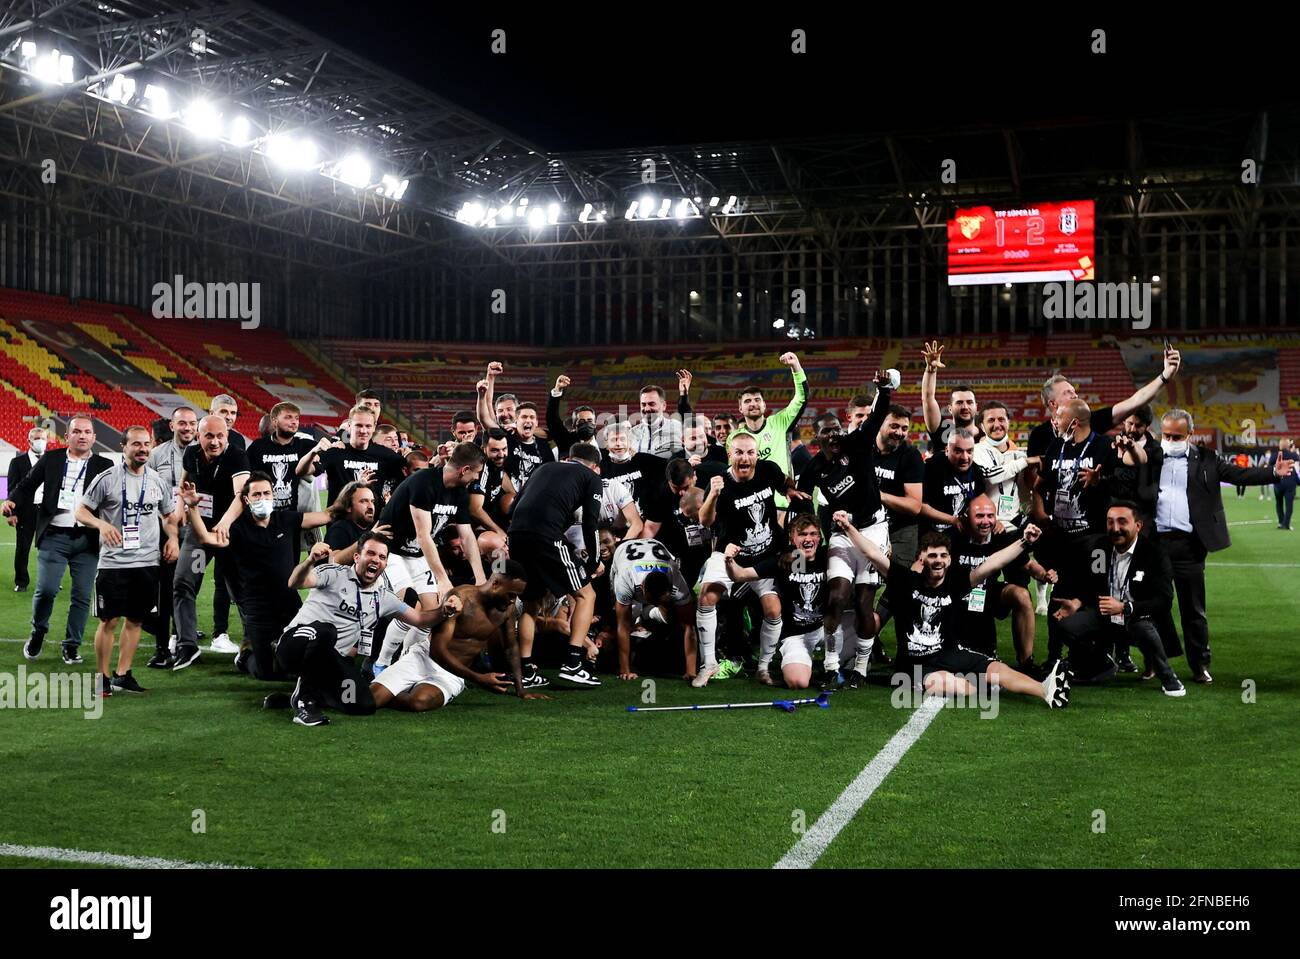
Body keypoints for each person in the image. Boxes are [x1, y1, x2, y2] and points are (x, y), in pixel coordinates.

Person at [834, 512, 1071, 708]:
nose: (938, 560)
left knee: (996, 667)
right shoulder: (905, 581)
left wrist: (1024, 542)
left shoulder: (956, 583)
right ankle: (989, 685)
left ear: (949, 559)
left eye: (943, 556)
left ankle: (1045, 690)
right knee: (940, 684)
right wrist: (848, 527)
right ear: (921, 558)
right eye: (932, 555)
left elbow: (994, 562)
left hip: (950, 653)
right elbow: (872, 553)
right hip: (915, 667)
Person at [1154, 408, 1294, 683]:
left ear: (1190, 434)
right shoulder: (1152, 457)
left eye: (1176, 436)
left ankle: (1199, 665)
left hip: (1190, 546)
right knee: (1154, 607)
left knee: (1193, 610)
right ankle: (1156, 662)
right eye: (1166, 435)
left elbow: (1239, 475)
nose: (1170, 440)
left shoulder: (1207, 459)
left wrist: (1273, 474)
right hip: (1155, 545)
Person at [275, 533, 459, 727]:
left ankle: (304, 694)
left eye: (381, 557)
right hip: (294, 647)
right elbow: (295, 582)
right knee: (326, 631)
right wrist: (310, 561)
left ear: (386, 564)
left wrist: (444, 610)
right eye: (370, 553)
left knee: (362, 704)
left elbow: (420, 619)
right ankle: (303, 702)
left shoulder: (382, 597)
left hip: (330, 661)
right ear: (357, 557)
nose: (375, 560)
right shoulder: (334, 574)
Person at [181, 471, 334, 683]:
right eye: (257, 495)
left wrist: (356, 490)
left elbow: (328, 515)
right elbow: (206, 538)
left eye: (267, 493)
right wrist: (193, 508)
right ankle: (246, 656)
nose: (263, 498)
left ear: (274, 496)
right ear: (246, 500)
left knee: (296, 665)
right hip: (258, 609)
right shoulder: (236, 528)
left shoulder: (287, 519)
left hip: (290, 604)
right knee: (267, 674)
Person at [796, 370, 895, 684]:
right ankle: (829, 664)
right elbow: (799, 500)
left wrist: (884, 388)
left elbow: (879, 412)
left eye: (836, 430)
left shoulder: (859, 441)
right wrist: (797, 537)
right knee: (836, 597)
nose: (833, 436)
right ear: (818, 438)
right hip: (842, 534)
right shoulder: (814, 468)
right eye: (826, 432)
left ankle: (861, 669)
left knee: (865, 602)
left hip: (873, 530)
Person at [695, 433, 811, 687]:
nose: (745, 458)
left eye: (750, 452)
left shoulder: (768, 470)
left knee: (773, 610)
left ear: (757, 454)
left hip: (766, 554)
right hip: (728, 553)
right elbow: (704, 521)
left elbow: (784, 482)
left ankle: (763, 667)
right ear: (730, 455)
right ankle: (709, 664)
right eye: (739, 453)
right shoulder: (720, 484)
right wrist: (713, 495)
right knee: (707, 597)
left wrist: (790, 489)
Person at [75, 426, 179, 697]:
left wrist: (173, 539)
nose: (143, 449)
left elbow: (169, 516)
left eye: (146, 444)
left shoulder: (156, 480)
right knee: (108, 621)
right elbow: (81, 510)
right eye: (136, 444)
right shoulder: (107, 478)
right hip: (113, 563)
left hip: (147, 562)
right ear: (124, 446)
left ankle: (123, 674)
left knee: (135, 620)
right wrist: (100, 524)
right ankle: (102, 678)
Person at [3, 416, 112, 665]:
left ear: (94, 437)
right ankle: (38, 632)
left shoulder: (105, 465)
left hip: (88, 540)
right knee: (47, 590)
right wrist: (12, 501)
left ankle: (71, 645)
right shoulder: (51, 459)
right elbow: (27, 484)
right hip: (54, 535)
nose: (82, 436)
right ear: (67, 436)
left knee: (82, 595)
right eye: (76, 431)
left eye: (87, 432)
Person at [1049, 501, 1183, 694]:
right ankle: (1100, 662)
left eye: (1122, 522)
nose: (1115, 528)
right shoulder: (1100, 548)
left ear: (1138, 525)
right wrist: (1077, 603)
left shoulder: (1155, 554)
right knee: (1066, 626)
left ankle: (1169, 677)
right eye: (1110, 522)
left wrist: (1125, 607)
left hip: (1138, 618)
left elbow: (1164, 601)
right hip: (1105, 616)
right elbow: (1093, 584)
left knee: (1142, 627)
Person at [372, 563, 547, 711]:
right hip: (424, 657)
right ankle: (386, 688)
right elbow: (437, 650)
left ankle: (396, 690)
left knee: (419, 702)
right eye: (511, 595)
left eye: (516, 596)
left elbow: (511, 648)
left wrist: (520, 689)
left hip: (452, 673)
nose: (512, 601)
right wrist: (478, 678)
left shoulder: (506, 610)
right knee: (372, 698)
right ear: (495, 583)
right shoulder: (460, 598)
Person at [375, 442, 487, 668]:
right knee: (410, 608)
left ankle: (405, 662)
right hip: (391, 552)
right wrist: (442, 579)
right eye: (476, 473)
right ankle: (381, 663)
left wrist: (481, 578)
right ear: (464, 470)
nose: (476, 478)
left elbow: (467, 537)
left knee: (434, 614)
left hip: (417, 555)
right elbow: (423, 535)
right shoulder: (424, 482)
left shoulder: (460, 494)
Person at [507, 443, 606, 687]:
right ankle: (573, 663)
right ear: (595, 466)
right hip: (546, 535)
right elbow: (591, 523)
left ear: (569, 457)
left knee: (531, 603)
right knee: (586, 595)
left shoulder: (543, 468)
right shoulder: (591, 477)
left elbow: (512, 506)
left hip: (516, 534)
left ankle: (527, 671)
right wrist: (594, 561)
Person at [171, 414, 251, 670]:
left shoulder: (237, 456)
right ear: (198, 436)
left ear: (227, 437)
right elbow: (184, 484)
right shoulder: (192, 454)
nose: (215, 441)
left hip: (230, 535)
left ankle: (252, 646)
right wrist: (180, 509)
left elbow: (241, 495)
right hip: (199, 531)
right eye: (209, 436)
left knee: (239, 591)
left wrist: (225, 523)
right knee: (184, 581)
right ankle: (186, 645)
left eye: (220, 436)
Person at [724, 515, 830, 690]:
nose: (808, 539)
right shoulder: (787, 561)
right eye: (802, 534)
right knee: (798, 682)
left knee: (863, 619)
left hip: (826, 628)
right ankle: (799, 661)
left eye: (813, 534)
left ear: (819, 537)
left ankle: (850, 667)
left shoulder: (829, 556)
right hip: (797, 635)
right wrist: (729, 559)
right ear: (792, 538)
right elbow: (739, 575)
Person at [949, 495, 1054, 669]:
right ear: (967, 517)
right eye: (979, 516)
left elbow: (1027, 565)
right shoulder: (954, 538)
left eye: (990, 516)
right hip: (957, 596)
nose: (985, 521)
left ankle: (1026, 661)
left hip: (988, 594)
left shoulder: (1000, 537)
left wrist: (1045, 575)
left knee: (1021, 594)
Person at [144, 406, 198, 667]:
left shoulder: (205, 452)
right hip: (167, 532)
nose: (187, 428)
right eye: (182, 423)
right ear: (173, 426)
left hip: (199, 533)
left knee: (189, 586)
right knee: (166, 589)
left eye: (191, 423)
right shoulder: (156, 456)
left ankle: (183, 639)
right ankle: (162, 648)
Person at [727, 351, 808, 513]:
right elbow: (733, 474)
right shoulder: (734, 438)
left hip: (782, 502)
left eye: (757, 400)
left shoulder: (780, 422)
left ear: (764, 405)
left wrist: (796, 367)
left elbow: (801, 398)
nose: (753, 404)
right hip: (750, 505)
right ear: (740, 408)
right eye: (747, 401)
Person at [607, 537, 697, 681]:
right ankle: (618, 661)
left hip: (656, 548)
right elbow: (622, 626)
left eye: (658, 601)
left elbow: (689, 627)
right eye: (651, 600)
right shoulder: (626, 578)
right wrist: (625, 671)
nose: (655, 602)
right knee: (626, 619)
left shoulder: (676, 580)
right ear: (642, 588)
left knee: (679, 616)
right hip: (625, 554)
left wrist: (690, 672)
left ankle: (649, 623)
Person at [315, 404, 406, 507]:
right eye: (359, 425)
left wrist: (409, 455)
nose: (363, 431)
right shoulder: (336, 451)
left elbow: (410, 471)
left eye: (368, 426)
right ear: (349, 426)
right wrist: (314, 452)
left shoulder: (387, 455)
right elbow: (304, 471)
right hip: (339, 520)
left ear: (374, 427)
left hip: (373, 521)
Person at [873, 405, 924, 566]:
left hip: (901, 529)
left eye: (904, 428)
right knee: (863, 581)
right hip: (867, 525)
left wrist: (879, 495)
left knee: (899, 581)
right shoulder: (864, 448)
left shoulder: (911, 455)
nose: (899, 432)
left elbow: (915, 506)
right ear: (880, 423)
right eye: (894, 426)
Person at [920, 427, 989, 535]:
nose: (965, 457)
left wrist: (994, 518)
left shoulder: (975, 469)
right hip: (929, 533)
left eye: (969, 451)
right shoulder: (932, 467)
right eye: (958, 451)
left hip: (958, 533)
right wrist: (953, 520)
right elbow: (921, 506)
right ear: (947, 450)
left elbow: (981, 496)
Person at [973, 400, 1030, 529]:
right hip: (988, 522)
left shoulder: (1018, 456)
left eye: (1001, 419)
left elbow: (1023, 492)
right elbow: (991, 476)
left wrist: (1031, 514)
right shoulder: (976, 451)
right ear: (982, 426)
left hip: (1014, 521)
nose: (997, 424)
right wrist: (1025, 462)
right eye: (991, 420)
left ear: (1008, 422)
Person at [7, 425, 47, 592]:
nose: (40, 442)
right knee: (23, 548)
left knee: (50, 549)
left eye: (43, 438)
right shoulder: (17, 462)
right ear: (29, 441)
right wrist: (11, 513)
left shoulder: (51, 461)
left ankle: (49, 580)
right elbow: (13, 489)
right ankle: (21, 582)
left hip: (47, 511)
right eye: (37, 438)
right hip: (26, 511)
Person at [920, 341, 979, 451]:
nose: (965, 407)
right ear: (950, 408)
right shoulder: (942, 430)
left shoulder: (986, 435)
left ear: (976, 407)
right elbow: (928, 398)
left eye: (969, 402)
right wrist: (930, 370)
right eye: (959, 402)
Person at [468, 428, 515, 553]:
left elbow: (511, 491)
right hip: (472, 525)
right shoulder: (480, 468)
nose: (501, 454)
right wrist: (499, 531)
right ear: (484, 449)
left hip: (492, 518)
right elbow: (474, 510)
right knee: (497, 545)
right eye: (495, 450)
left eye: (504, 449)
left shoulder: (498, 464)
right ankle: (499, 571)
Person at [323, 481, 380, 553]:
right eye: (363, 501)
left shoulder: (370, 528)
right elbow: (334, 560)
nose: (371, 506)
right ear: (348, 507)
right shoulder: (339, 529)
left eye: (372, 501)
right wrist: (369, 537)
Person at [630, 384, 683, 457]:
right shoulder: (632, 433)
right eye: (643, 404)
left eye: (652, 404)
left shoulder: (677, 428)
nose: (647, 409)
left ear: (664, 405)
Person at [1270, 438, 1299, 530]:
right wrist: (1293, 450)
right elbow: (1297, 458)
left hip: (1278, 482)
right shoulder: (1293, 455)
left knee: (1279, 503)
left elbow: (1270, 464)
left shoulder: (1274, 456)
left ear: (1279, 446)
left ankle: (1280, 521)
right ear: (1288, 446)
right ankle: (1286, 524)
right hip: (1290, 482)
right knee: (1289, 504)